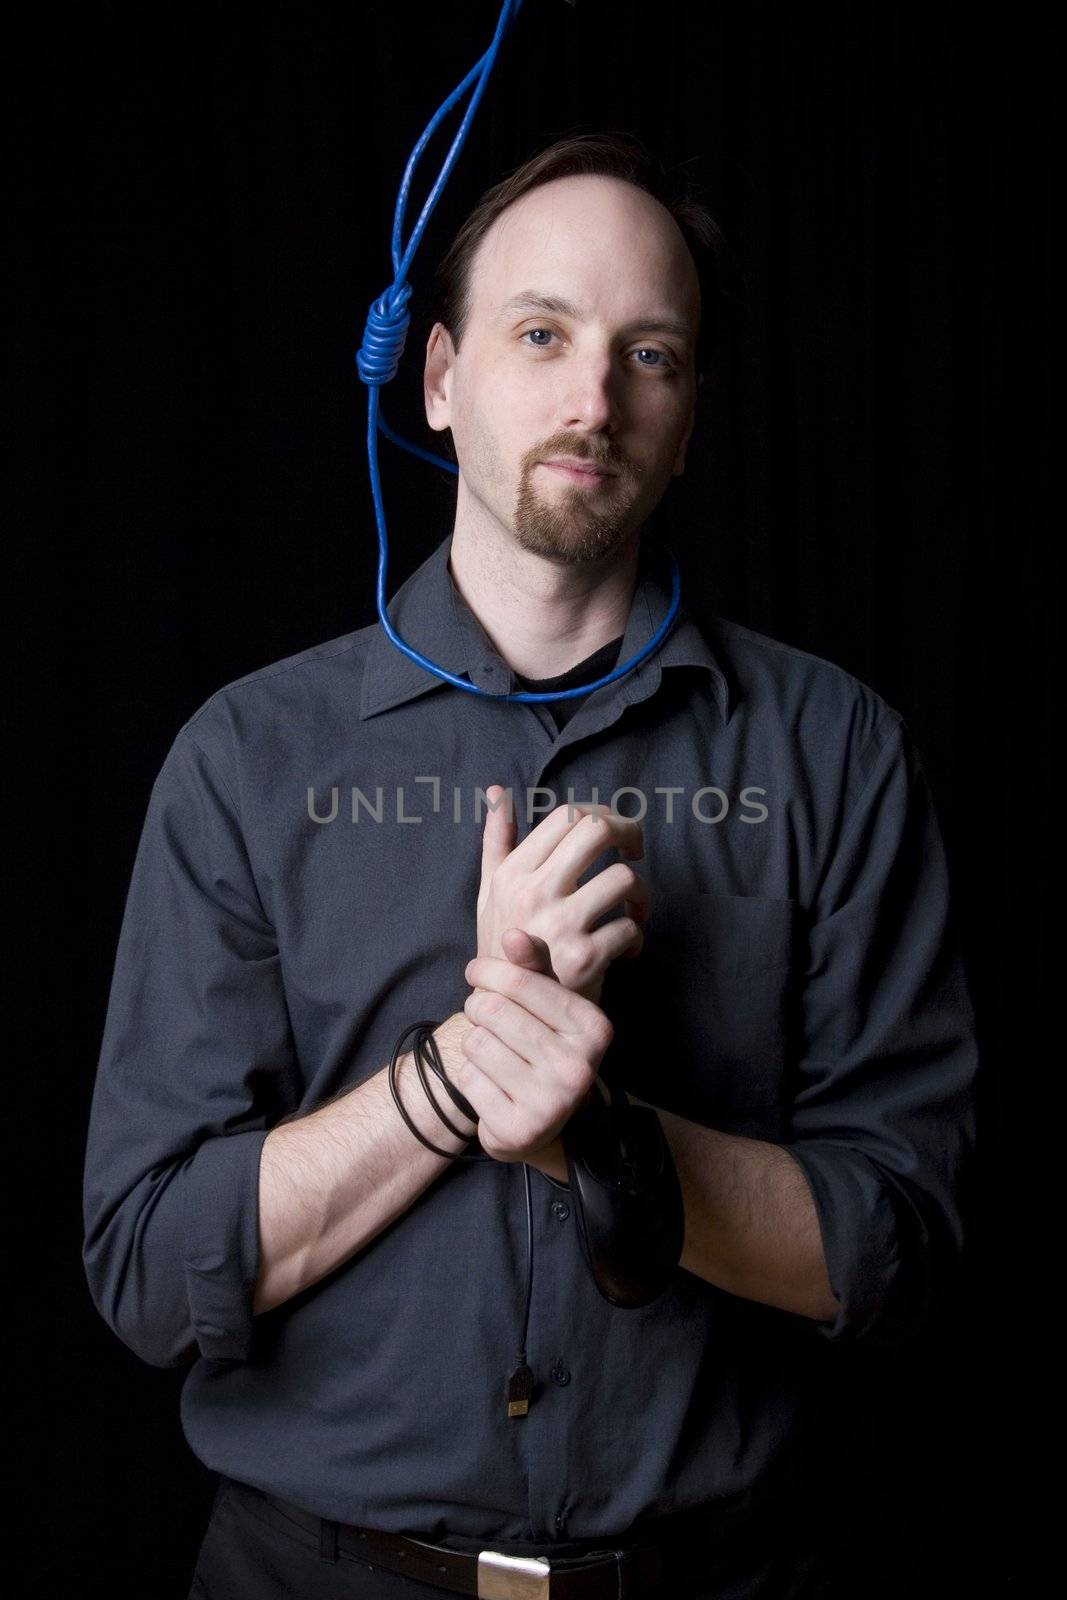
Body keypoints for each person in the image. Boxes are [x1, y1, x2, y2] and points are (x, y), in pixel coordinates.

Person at [81, 133, 978, 1600]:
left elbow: (900, 1249)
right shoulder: (246, 762)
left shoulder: (840, 757)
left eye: (651, 353)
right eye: (543, 334)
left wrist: (607, 1138)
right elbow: (149, 1264)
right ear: (438, 379)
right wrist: (455, 1078)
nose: (592, 399)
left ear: (690, 423)